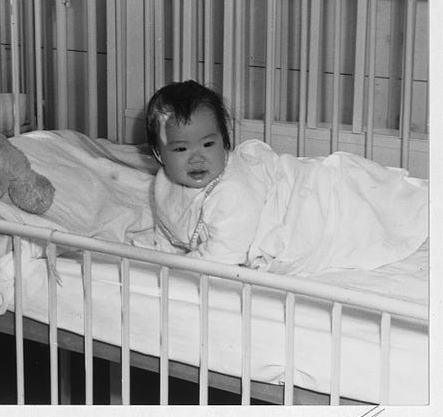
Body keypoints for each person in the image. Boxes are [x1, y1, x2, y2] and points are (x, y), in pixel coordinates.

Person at [142, 80, 427, 273]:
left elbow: (222, 258)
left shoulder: (233, 191)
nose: (197, 157)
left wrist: (172, 268)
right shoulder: (164, 182)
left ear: (225, 142)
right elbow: (170, 226)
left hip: (310, 202)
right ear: (158, 154)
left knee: (373, 207)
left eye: (208, 144)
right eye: (180, 148)